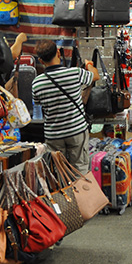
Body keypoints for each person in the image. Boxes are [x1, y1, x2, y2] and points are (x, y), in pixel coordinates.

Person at [32, 40, 100, 172]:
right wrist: (89, 65)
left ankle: (62, 193)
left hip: (53, 134)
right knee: (80, 167)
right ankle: (81, 193)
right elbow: (95, 76)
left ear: (40, 60)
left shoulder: (37, 83)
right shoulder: (74, 73)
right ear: (58, 53)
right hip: (76, 130)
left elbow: (39, 104)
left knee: (58, 170)